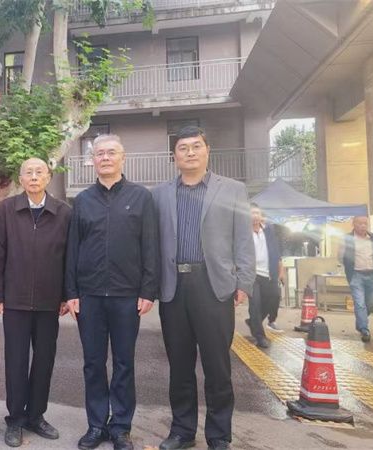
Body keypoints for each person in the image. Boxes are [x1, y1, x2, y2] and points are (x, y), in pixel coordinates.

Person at [152, 126, 255, 450]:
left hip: (213, 286)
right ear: (174, 156)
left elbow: (243, 239)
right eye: (183, 148)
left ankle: (219, 435)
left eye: (196, 146)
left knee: (217, 366)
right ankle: (182, 431)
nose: (190, 153)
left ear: (208, 150)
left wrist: (245, 281)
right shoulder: (159, 194)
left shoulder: (233, 190)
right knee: (179, 366)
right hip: (174, 287)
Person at [65, 134, 160, 450]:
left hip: (126, 296)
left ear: (122, 157)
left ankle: (120, 427)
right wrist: (71, 292)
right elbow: (72, 249)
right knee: (93, 363)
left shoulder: (141, 197)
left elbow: (150, 246)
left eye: (111, 153)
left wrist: (148, 289)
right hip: (89, 296)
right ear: (92, 160)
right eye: (99, 153)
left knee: (123, 363)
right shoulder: (82, 201)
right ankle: (96, 425)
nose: (105, 158)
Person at [0, 157, 72, 448]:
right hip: (15, 300)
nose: (34, 177)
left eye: (39, 172)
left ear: (48, 177)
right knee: (15, 360)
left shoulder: (63, 212)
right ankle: (15, 418)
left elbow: (69, 257)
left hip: (50, 301)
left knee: (44, 359)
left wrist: (66, 294)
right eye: (28, 172)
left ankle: (36, 415)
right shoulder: (7, 210)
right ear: (21, 179)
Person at [339, 215, 373, 342]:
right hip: (356, 275)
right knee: (359, 303)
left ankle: (360, 323)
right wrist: (348, 267)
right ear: (353, 224)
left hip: (371, 275)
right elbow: (341, 256)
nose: (363, 226)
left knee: (369, 304)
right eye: (360, 223)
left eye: (365, 223)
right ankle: (364, 329)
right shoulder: (347, 238)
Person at [245, 203, 284, 348]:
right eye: (252, 213)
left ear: (261, 216)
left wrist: (281, 271)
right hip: (251, 275)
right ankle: (259, 336)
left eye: (257, 213)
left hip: (269, 273)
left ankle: (254, 321)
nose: (255, 216)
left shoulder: (269, 230)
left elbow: (276, 252)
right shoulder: (243, 232)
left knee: (274, 297)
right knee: (255, 304)